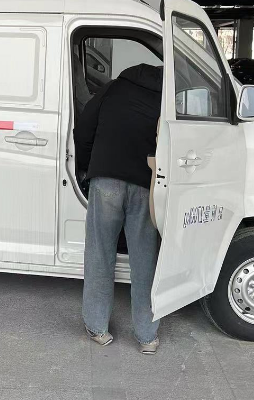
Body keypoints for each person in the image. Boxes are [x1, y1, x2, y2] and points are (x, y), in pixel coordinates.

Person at [74, 62, 163, 355]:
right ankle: (147, 336)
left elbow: (84, 127)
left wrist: (87, 165)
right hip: (146, 184)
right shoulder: (165, 99)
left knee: (100, 253)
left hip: (106, 179)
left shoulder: (113, 89)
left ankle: (97, 328)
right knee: (144, 260)